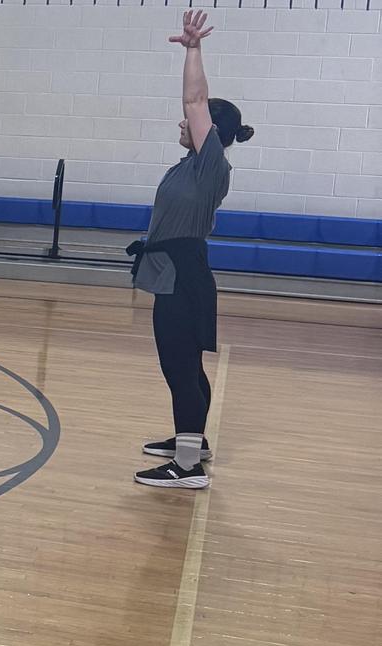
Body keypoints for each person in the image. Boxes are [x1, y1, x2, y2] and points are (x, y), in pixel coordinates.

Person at [133, 10, 250, 490]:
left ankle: (187, 468)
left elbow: (195, 97)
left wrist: (193, 49)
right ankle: (192, 443)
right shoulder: (190, 164)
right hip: (174, 272)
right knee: (181, 364)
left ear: (212, 132)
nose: (184, 119)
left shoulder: (211, 165)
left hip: (184, 275)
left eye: (195, 119)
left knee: (179, 366)